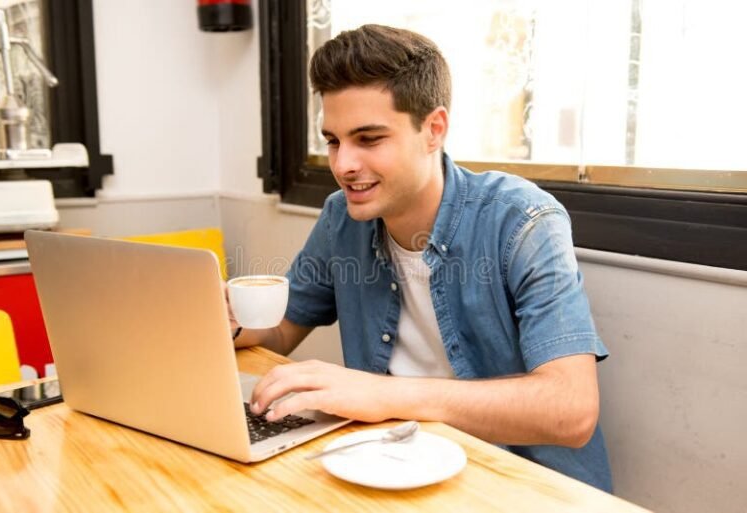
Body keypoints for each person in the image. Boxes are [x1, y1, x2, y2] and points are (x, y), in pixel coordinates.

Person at [232, 24, 612, 491]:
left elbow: (571, 409)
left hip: (521, 484)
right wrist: (223, 320)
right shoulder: (341, 218)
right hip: (390, 466)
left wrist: (384, 395)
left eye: (369, 139)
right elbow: (280, 329)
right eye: (333, 140)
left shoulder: (523, 220)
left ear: (434, 130)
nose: (343, 165)